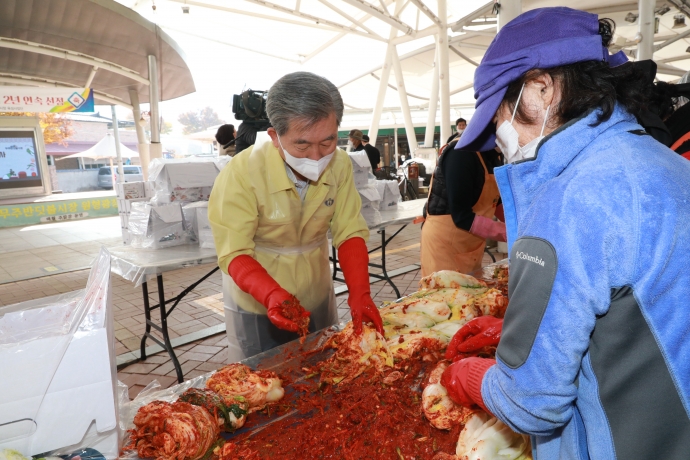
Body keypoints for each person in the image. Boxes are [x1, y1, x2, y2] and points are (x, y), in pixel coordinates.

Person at [439, 8, 690, 459]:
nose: (499, 134)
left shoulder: (570, 196)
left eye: (499, 112)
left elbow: (531, 403)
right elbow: (642, 309)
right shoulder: (661, 162)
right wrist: (521, 331)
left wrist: (468, 377)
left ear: (541, 87)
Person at [208, 72, 383, 361]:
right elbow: (234, 251)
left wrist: (360, 292)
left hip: (315, 290)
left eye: (327, 143)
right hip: (258, 300)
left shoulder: (339, 165)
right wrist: (270, 294)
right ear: (275, 137)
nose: (316, 157)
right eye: (302, 145)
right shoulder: (242, 173)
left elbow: (349, 230)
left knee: (324, 369)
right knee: (263, 384)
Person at [420, 139, 505, 276]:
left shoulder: (494, 154)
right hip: (445, 244)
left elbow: (496, 200)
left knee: (471, 294)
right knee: (444, 294)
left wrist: (520, 225)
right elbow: (461, 216)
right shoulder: (461, 153)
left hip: (470, 244)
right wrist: (509, 233)